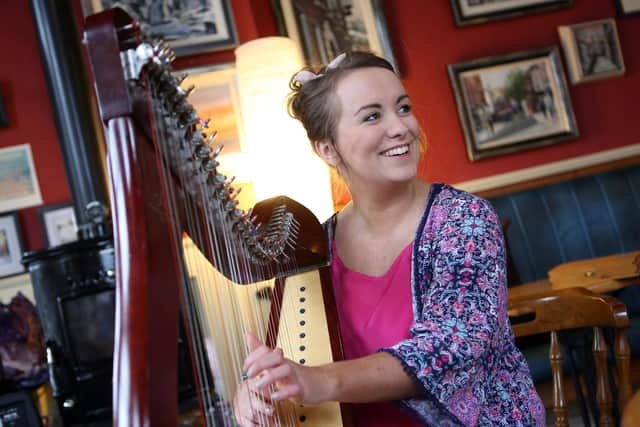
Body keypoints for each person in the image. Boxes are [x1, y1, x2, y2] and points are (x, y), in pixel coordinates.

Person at [233, 51, 545, 426]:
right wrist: (256, 385)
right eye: (372, 116)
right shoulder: (317, 249)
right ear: (327, 149)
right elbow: (289, 357)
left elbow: (452, 348)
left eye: (403, 107)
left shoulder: (464, 220)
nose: (401, 127)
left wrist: (317, 380)